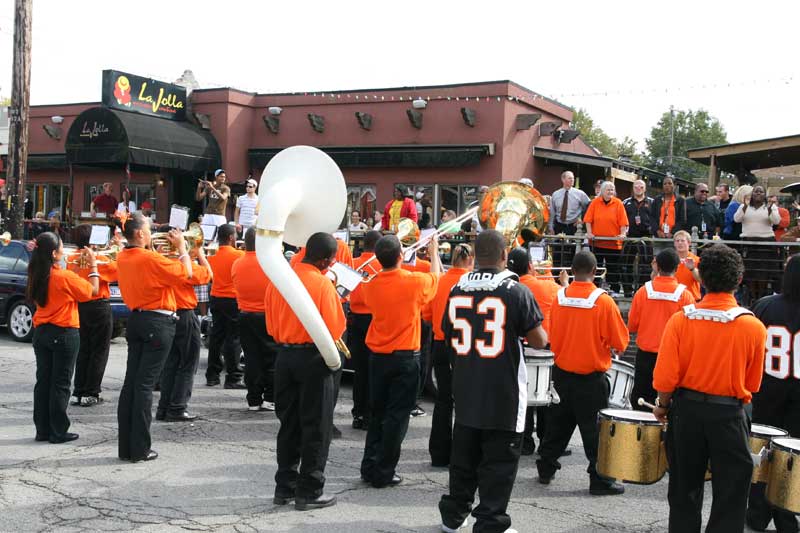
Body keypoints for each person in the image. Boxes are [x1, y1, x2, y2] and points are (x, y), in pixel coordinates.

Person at [438, 230, 547, 533]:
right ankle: (489, 522)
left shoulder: (457, 288)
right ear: (504, 256)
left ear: (474, 255)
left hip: (466, 383)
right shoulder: (516, 290)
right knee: (499, 462)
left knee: (464, 457)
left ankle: (453, 516)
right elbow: (539, 339)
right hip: (503, 390)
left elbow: (447, 331)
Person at [652, 244, 766, 533]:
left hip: (687, 412)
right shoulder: (753, 326)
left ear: (700, 278)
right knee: (731, 493)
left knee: (684, 491)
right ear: (738, 280)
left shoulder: (681, 320)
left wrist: (662, 405)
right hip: (729, 414)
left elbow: (665, 379)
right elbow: (752, 384)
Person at [536, 250, 629, 496]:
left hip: (562, 373)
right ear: (595, 271)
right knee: (594, 433)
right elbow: (620, 341)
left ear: (572, 271)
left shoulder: (560, 296)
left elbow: (552, 333)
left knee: (557, 427)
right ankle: (599, 480)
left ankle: (545, 468)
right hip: (591, 378)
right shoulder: (604, 301)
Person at [265, 232, 346, 510]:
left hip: (284, 357)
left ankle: (284, 487)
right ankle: (310, 491)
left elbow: (270, 325)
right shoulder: (323, 285)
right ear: (325, 261)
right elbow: (336, 330)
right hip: (313, 358)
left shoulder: (279, 279)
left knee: (289, 424)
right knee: (316, 427)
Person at [360, 234, 440, 488]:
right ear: (400, 256)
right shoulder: (413, 281)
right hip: (405, 358)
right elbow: (436, 278)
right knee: (397, 418)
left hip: (378, 358)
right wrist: (434, 252)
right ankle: (384, 471)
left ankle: (369, 465)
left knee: (377, 413)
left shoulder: (370, 285)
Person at [116, 212, 193, 462]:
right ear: (139, 234)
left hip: (137, 320)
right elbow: (186, 273)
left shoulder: (123, 256)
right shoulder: (149, 258)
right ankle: (139, 448)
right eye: (149, 229)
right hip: (158, 322)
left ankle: (126, 448)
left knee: (132, 385)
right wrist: (181, 247)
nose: (152, 233)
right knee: (145, 386)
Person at [746, 254, 800, 532]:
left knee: (764, 456)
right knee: (792, 461)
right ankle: (786, 517)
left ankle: (757, 514)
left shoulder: (765, 306)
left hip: (768, 390)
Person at [29, 232, 99, 444]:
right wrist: (94, 265)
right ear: (53, 253)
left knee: (44, 382)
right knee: (60, 383)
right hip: (63, 332)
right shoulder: (62, 276)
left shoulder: (36, 272)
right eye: (61, 247)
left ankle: (42, 429)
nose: (64, 250)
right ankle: (58, 431)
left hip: (41, 333)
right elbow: (92, 291)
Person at [506, 247, 568, 457]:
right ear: (531, 266)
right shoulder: (550, 287)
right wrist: (563, 282)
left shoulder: (509, 286)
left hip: (517, 346)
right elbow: (566, 296)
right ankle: (545, 440)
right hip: (544, 346)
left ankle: (524, 441)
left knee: (522, 394)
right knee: (546, 396)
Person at [421, 242, 475, 467]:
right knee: (466, 402)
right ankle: (463, 454)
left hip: (441, 345)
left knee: (443, 400)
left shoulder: (441, 281)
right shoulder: (473, 284)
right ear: (471, 261)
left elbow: (427, 314)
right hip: (465, 347)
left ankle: (439, 453)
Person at [627, 248, 695, 410]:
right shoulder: (685, 295)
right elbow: (691, 332)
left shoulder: (643, 292)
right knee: (672, 405)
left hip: (645, 357)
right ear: (678, 268)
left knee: (641, 403)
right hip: (674, 357)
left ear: (657, 267)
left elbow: (632, 325)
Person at [156, 244, 211, 422]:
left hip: (166, 314)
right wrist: (200, 254)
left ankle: (164, 407)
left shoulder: (159, 262)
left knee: (171, 363)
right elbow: (208, 275)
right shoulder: (181, 265)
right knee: (188, 362)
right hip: (185, 313)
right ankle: (178, 407)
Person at [67, 224, 118, 407]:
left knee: (84, 349)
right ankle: (91, 392)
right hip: (98, 305)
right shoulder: (99, 258)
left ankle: (78, 391)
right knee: (99, 350)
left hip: (79, 305)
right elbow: (117, 273)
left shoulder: (72, 258)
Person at [231, 226, 277, 412]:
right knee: (272, 359)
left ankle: (253, 399)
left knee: (251, 359)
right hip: (266, 315)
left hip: (244, 315)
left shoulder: (237, 263)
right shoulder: (270, 263)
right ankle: (270, 398)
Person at [347, 230, 382, 430]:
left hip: (355, 318)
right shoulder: (381, 264)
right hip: (375, 319)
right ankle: (370, 414)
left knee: (360, 369)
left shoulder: (352, 263)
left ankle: (358, 413)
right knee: (374, 369)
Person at [206, 223, 245, 388]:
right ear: (231, 238)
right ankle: (233, 377)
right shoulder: (239, 255)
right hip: (232, 299)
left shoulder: (211, 255)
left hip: (216, 297)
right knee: (233, 339)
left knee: (216, 337)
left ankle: (212, 376)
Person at [735, 184, 783, 299]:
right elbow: (736, 219)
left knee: (763, 273)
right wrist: (745, 207)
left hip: (766, 243)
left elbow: (776, 221)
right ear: (752, 194)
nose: (758, 194)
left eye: (761, 192)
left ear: (764, 195)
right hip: (749, 243)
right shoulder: (744, 206)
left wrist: (771, 210)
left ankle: (761, 297)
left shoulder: (770, 206)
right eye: (756, 192)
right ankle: (752, 296)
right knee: (750, 272)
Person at [584, 181, 629, 296]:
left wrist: (623, 233)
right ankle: (594, 288)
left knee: (613, 268)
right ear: (602, 191)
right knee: (595, 267)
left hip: (613, 243)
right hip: (596, 242)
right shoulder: (594, 202)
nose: (610, 192)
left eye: (612, 190)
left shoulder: (618, 203)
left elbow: (623, 222)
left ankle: (615, 290)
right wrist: (589, 233)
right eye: (608, 189)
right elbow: (588, 220)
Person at [548, 171, 591, 267]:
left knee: (570, 251)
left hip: (572, 226)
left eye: (573, 178)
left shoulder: (580, 194)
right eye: (570, 178)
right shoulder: (555, 194)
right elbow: (552, 212)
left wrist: (582, 219)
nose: (572, 180)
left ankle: (569, 274)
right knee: (557, 252)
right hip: (559, 225)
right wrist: (550, 227)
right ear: (563, 179)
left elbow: (589, 206)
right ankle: (557, 274)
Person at [622, 179, 654, 295]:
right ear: (633, 188)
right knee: (626, 264)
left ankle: (641, 290)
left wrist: (652, 229)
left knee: (646, 265)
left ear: (645, 189)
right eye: (636, 187)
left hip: (646, 237)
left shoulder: (652, 202)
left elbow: (656, 218)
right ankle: (627, 290)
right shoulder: (625, 202)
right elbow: (620, 218)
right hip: (630, 237)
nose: (638, 189)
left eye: (641, 187)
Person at [650, 176, 686, 243]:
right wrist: (657, 231)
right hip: (658, 236)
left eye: (669, 183)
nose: (667, 186)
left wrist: (672, 233)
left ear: (674, 186)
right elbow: (652, 217)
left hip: (675, 237)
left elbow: (682, 220)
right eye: (665, 184)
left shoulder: (680, 200)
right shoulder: (657, 200)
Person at [673, 230, 702, 300]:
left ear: (689, 243)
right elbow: (654, 278)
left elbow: (701, 280)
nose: (680, 243)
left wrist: (692, 269)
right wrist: (655, 271)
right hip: (673, 298)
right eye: (677, 241)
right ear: (674, 244)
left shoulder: (697, 260)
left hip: (692, 299)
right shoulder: (670, 259)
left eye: (682, 241)